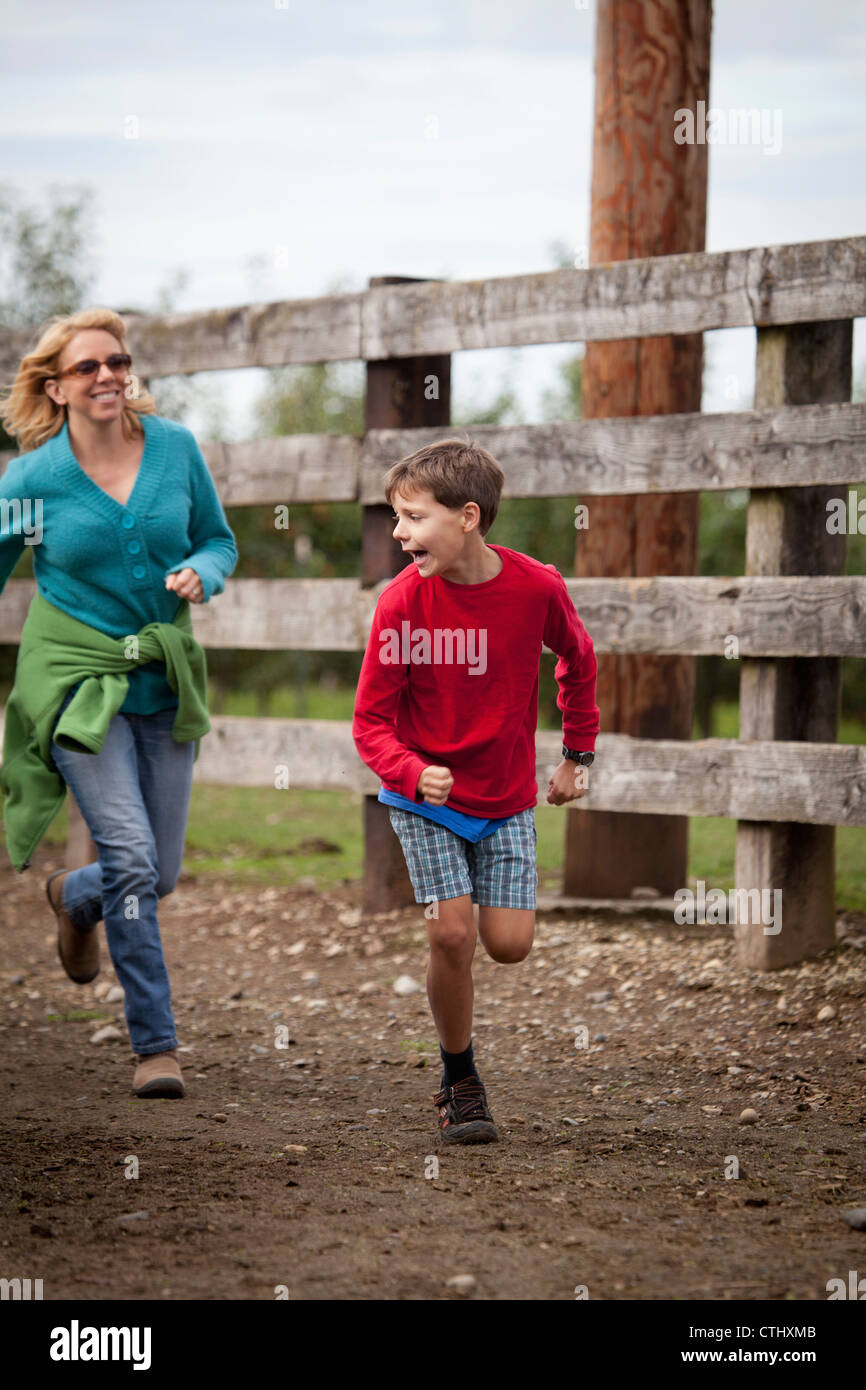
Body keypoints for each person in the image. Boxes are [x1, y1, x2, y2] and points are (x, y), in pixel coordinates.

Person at [0, 307, 237, 1098]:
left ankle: (73, 896)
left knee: (156, 871)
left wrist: (206, 570)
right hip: (78, 689)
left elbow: (219, 537)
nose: (107, 375)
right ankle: (156, 1046)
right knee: (132, 860)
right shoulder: (33, 481)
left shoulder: (173, 450)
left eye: (118, 361)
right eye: (87, 367)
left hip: (162, 684)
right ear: (55, 386)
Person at [352, 438, 599, 1143]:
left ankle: (460, 1060)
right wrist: (408, 772)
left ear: (467, 517)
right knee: (452, 932)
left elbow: (579, 663)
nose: (398, 533)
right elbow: (369, 722)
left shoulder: (537, 589)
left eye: (411, 517)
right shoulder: (401, 604)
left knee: (510, 944)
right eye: (395, 518)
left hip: (507, 796)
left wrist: (575, 754)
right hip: (424, 799)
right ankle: (460, 1078)